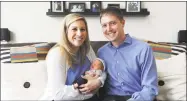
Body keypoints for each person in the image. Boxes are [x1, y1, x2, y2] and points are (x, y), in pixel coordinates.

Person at [39, 13, 106, 101]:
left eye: (82, 29)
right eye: (74, 29)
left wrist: (98, 82)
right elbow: (57, 94)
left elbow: (101, 70)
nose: (79, 34)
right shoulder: (57, 54)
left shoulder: (87, 49)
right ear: (66, 31)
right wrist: (85, 92)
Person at [97, 7, 158, 101]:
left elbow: (150, 89)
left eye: (113, 23)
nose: (108, 29)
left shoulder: (143, 49)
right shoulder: (101, 52)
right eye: (104, 25)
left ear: (123, 23)